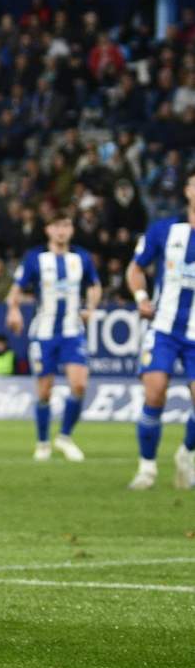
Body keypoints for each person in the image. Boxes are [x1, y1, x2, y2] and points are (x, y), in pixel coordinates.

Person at [6, 209, 100, 463]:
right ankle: (43, 441)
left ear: (72, 229)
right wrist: (14, 310)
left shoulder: (81, 258)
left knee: (79, 384)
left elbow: (94, 285)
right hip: (43, 333)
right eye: (57, 225)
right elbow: (16, 288)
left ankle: (65, 437)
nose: (62, 230)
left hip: (72, 331)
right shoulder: (36, 258)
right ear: (48, 229)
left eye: (66, 225)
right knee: (45, 391)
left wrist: (91, 308)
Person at [126, 170, 195, 491]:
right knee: (154, 392)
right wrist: (141, 297)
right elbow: (136, 268)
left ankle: (186, 453)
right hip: (164, 328)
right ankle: (147, 468)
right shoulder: (165, 230)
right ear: (187, 190)